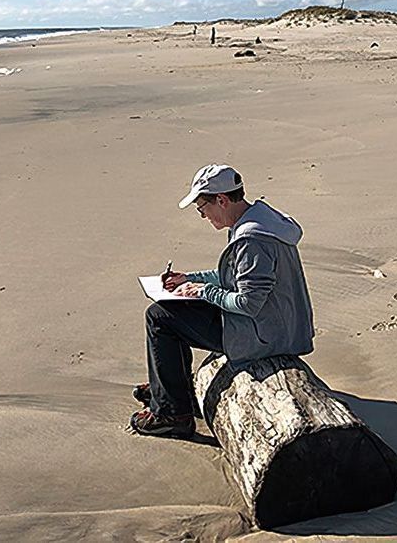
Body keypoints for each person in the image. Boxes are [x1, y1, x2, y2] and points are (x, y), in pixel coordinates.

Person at [130, 164, 315, 438]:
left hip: (265, 337)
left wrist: (203, 292)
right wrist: (189, 279)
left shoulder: (252, 240)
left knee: (159, 318)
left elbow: (248, 303)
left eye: (202, 207)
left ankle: (172, 413)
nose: (202, 215)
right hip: (278, 324)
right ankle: (173, 391)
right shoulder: (259, 218)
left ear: (222, 200)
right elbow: (239, 276)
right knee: (170, 309)